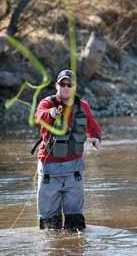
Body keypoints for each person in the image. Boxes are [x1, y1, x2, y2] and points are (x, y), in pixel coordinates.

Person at [34, 69, 101, 231]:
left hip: (74, 171)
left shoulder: (83, 106)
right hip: (50, 170)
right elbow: (39, 117)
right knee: (50, 226)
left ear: (74, 87)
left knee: (76, 224)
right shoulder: (47, 103)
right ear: (57, 86)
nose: (65, 87)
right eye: (62, 84)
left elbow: (93, 127)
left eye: (69, 84)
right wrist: (51, 113)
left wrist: (96, 138)